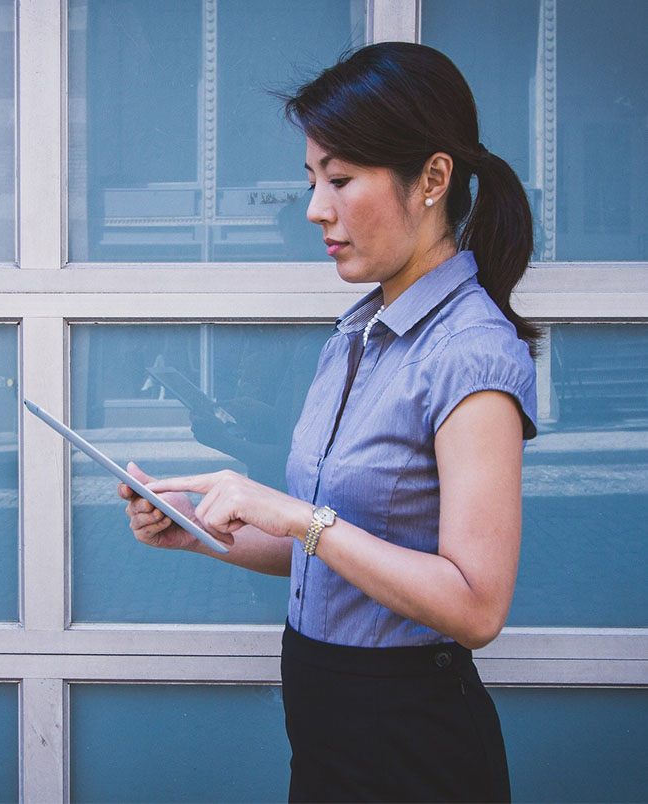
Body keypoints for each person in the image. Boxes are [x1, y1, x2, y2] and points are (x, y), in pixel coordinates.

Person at [118, 42, 538, 803]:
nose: (314, 208)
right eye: (312, 179)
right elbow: (335, 550)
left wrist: (294, 515)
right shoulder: (353, 336)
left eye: (340, 179)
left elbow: (476, 607)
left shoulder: (471, 354)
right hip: (324, 722)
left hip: (410, 741)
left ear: (432, 180)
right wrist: (202, 531)